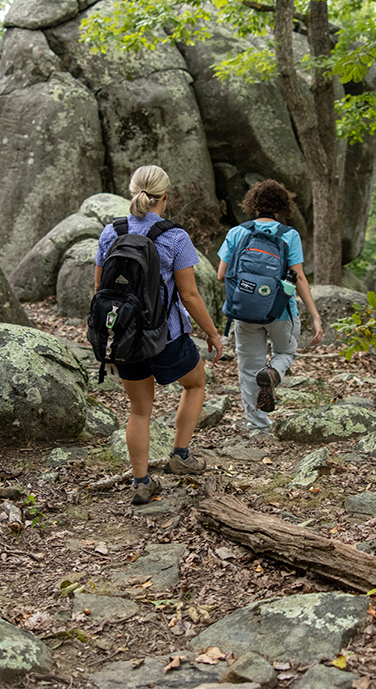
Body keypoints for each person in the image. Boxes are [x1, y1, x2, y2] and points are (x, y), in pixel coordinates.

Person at [94, 165, 224, 506]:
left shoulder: (111, 232)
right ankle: (180, 455)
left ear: (132, 192)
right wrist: (211, 333)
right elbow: (190, 296)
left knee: (139, 410)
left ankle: (141, 483)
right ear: (165, 197)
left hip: (125, 337)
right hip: (166, 336)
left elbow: (99, 289)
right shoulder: (174, 237)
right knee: (195, 383)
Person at [217, 179, 323, 435]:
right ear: (282, 206)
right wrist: (316, 316)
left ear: (253, 204)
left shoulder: (237, 233)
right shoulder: (289, 235)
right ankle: (274, 373)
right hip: (281, 311)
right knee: (286, 352)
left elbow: (221, 275)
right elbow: (298, 278)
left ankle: (258, 430)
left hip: (244, 313)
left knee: (249, 369)